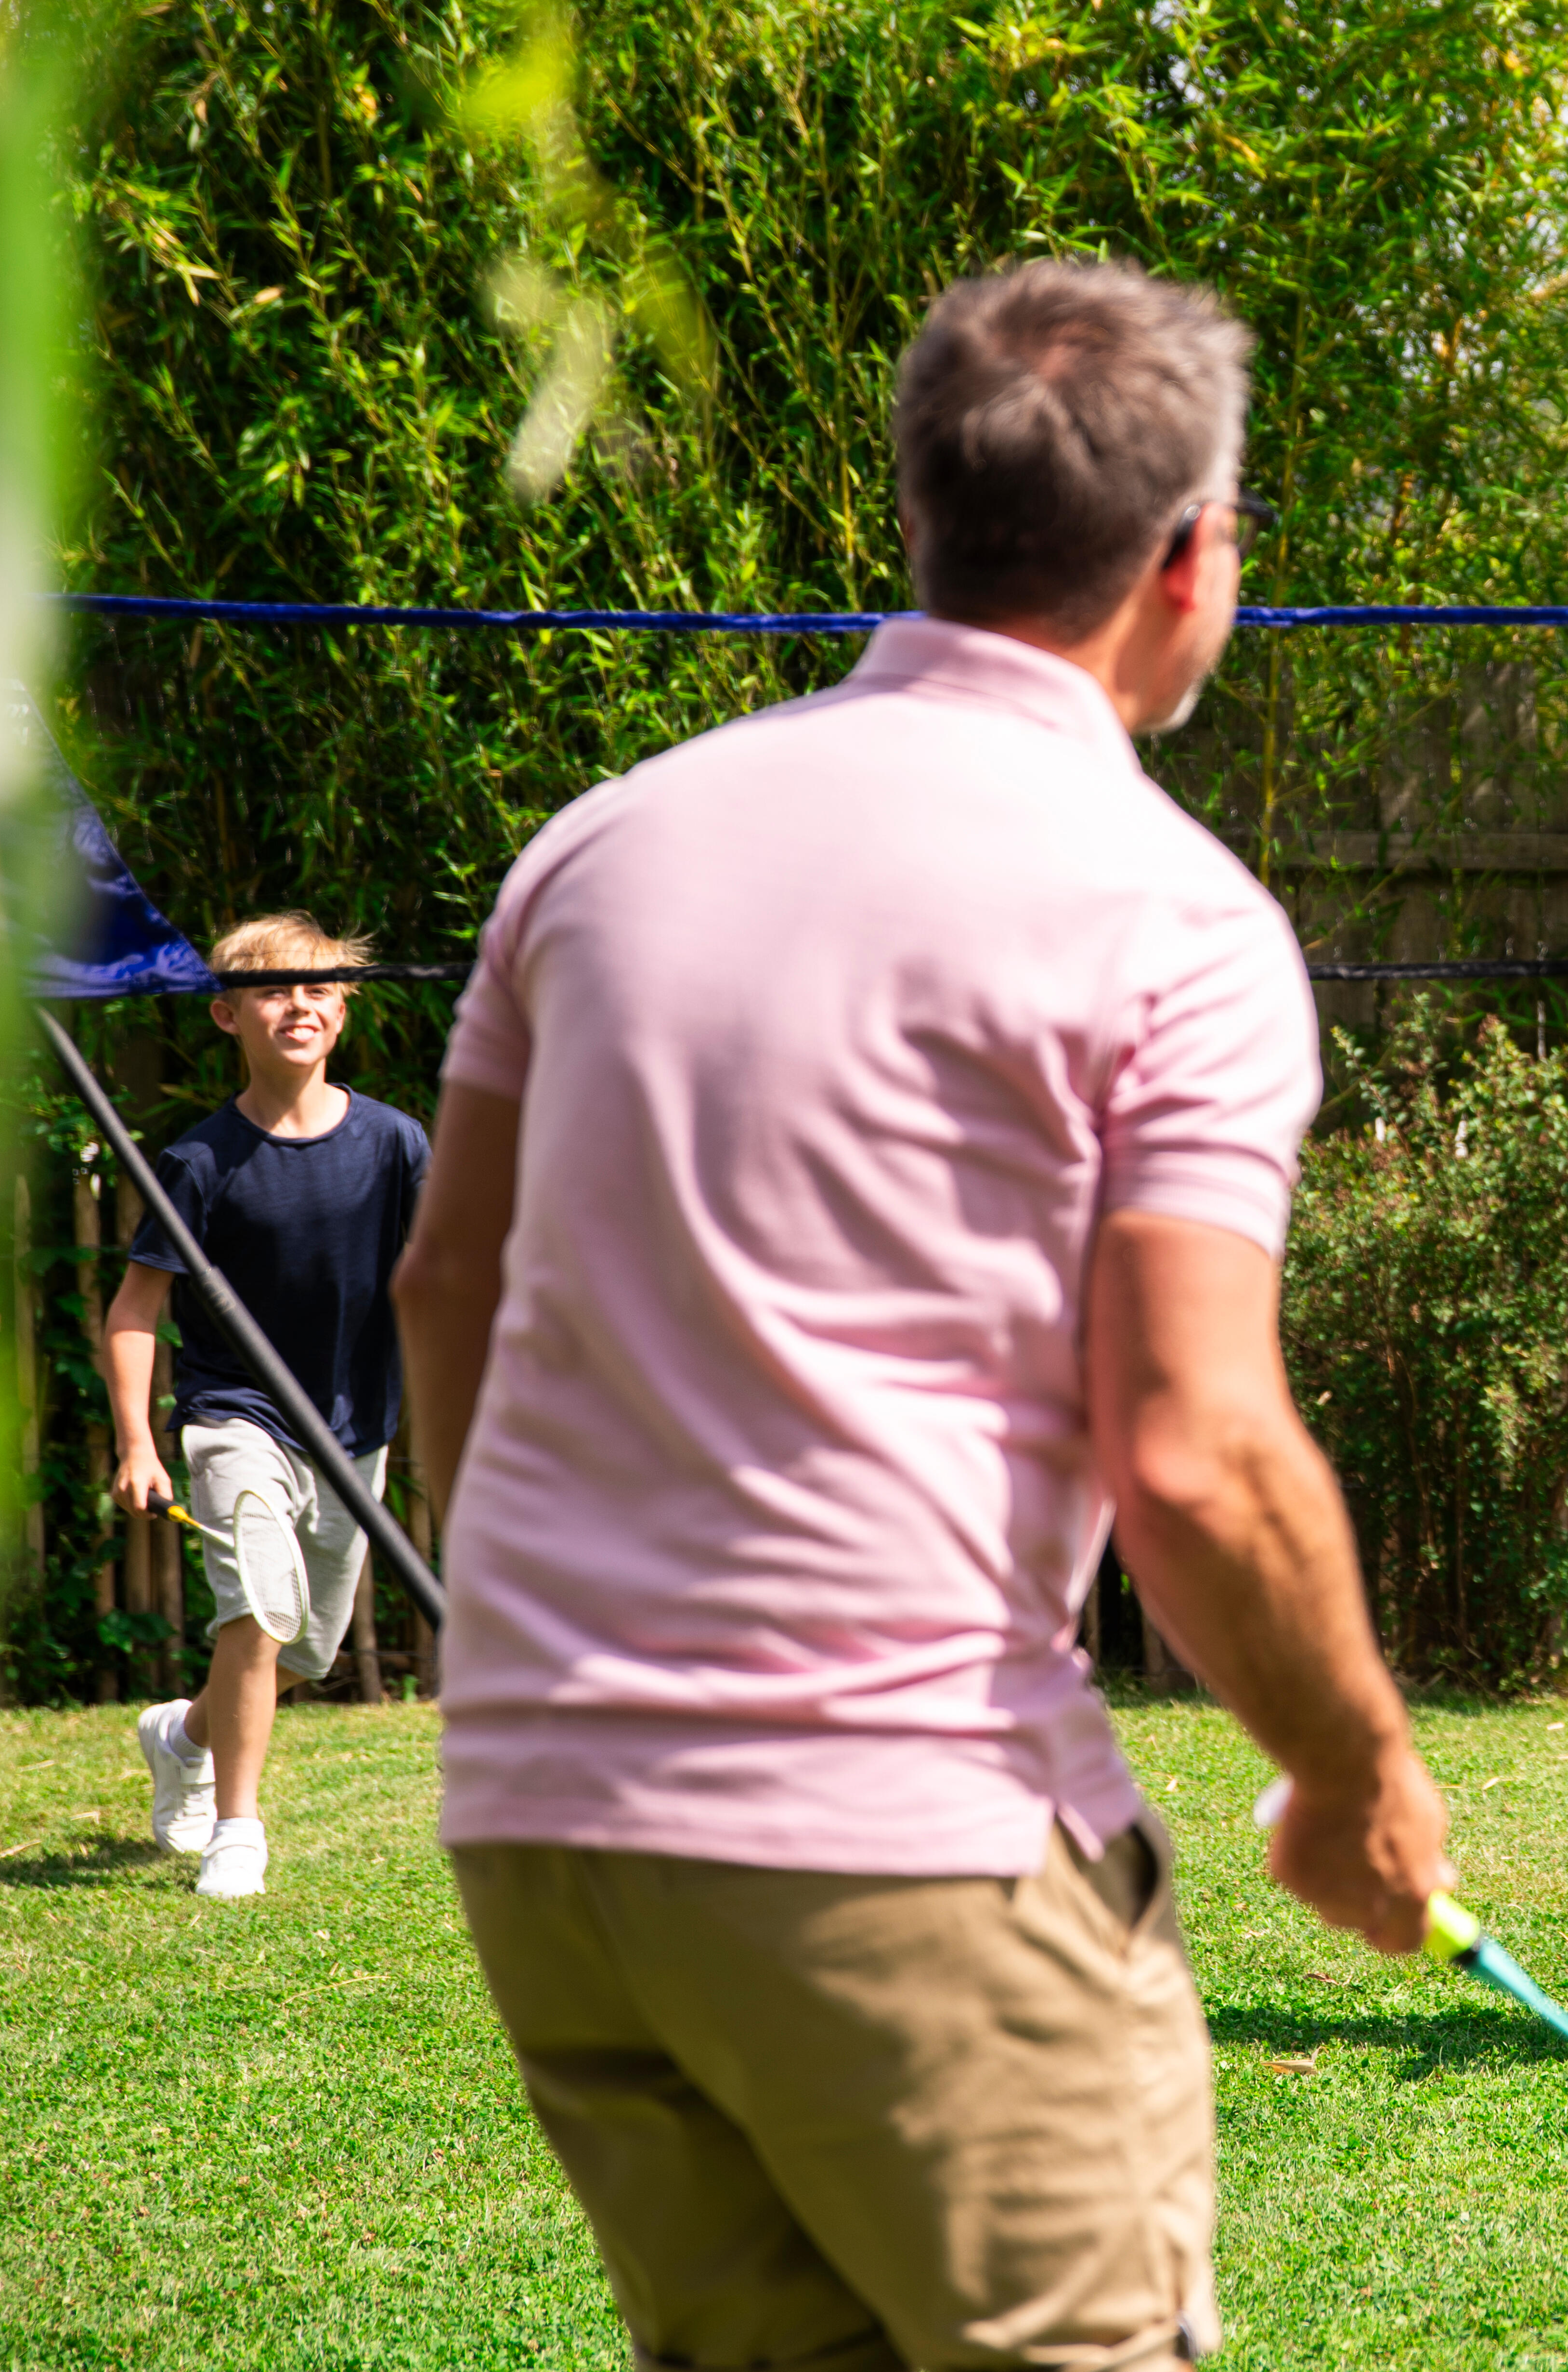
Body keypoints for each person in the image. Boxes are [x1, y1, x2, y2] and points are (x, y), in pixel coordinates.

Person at [393, 258, 1452, 2372]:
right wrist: (1354, 1774)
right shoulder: (1174, 920)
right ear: (1192, 557)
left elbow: (451, 1290)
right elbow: (1197, 1451)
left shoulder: (599, 848)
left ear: (924, 511)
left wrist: (547, 1658)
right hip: (902, 1840)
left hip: (547, 1831)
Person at [113, 913, 429, 1901]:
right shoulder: (202, 1163)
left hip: (353, 1425)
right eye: (272, 988)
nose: (298, 1003)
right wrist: (136, 1439)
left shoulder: (395, 1145)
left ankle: (183, 1732)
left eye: (318, 986)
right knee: (257, 1610)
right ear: (225, 1015)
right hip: (236, 1412)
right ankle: (237, 1830)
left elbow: (440, 1280)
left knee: (308, 1644)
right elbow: (135, 1310)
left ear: (343, 1008)